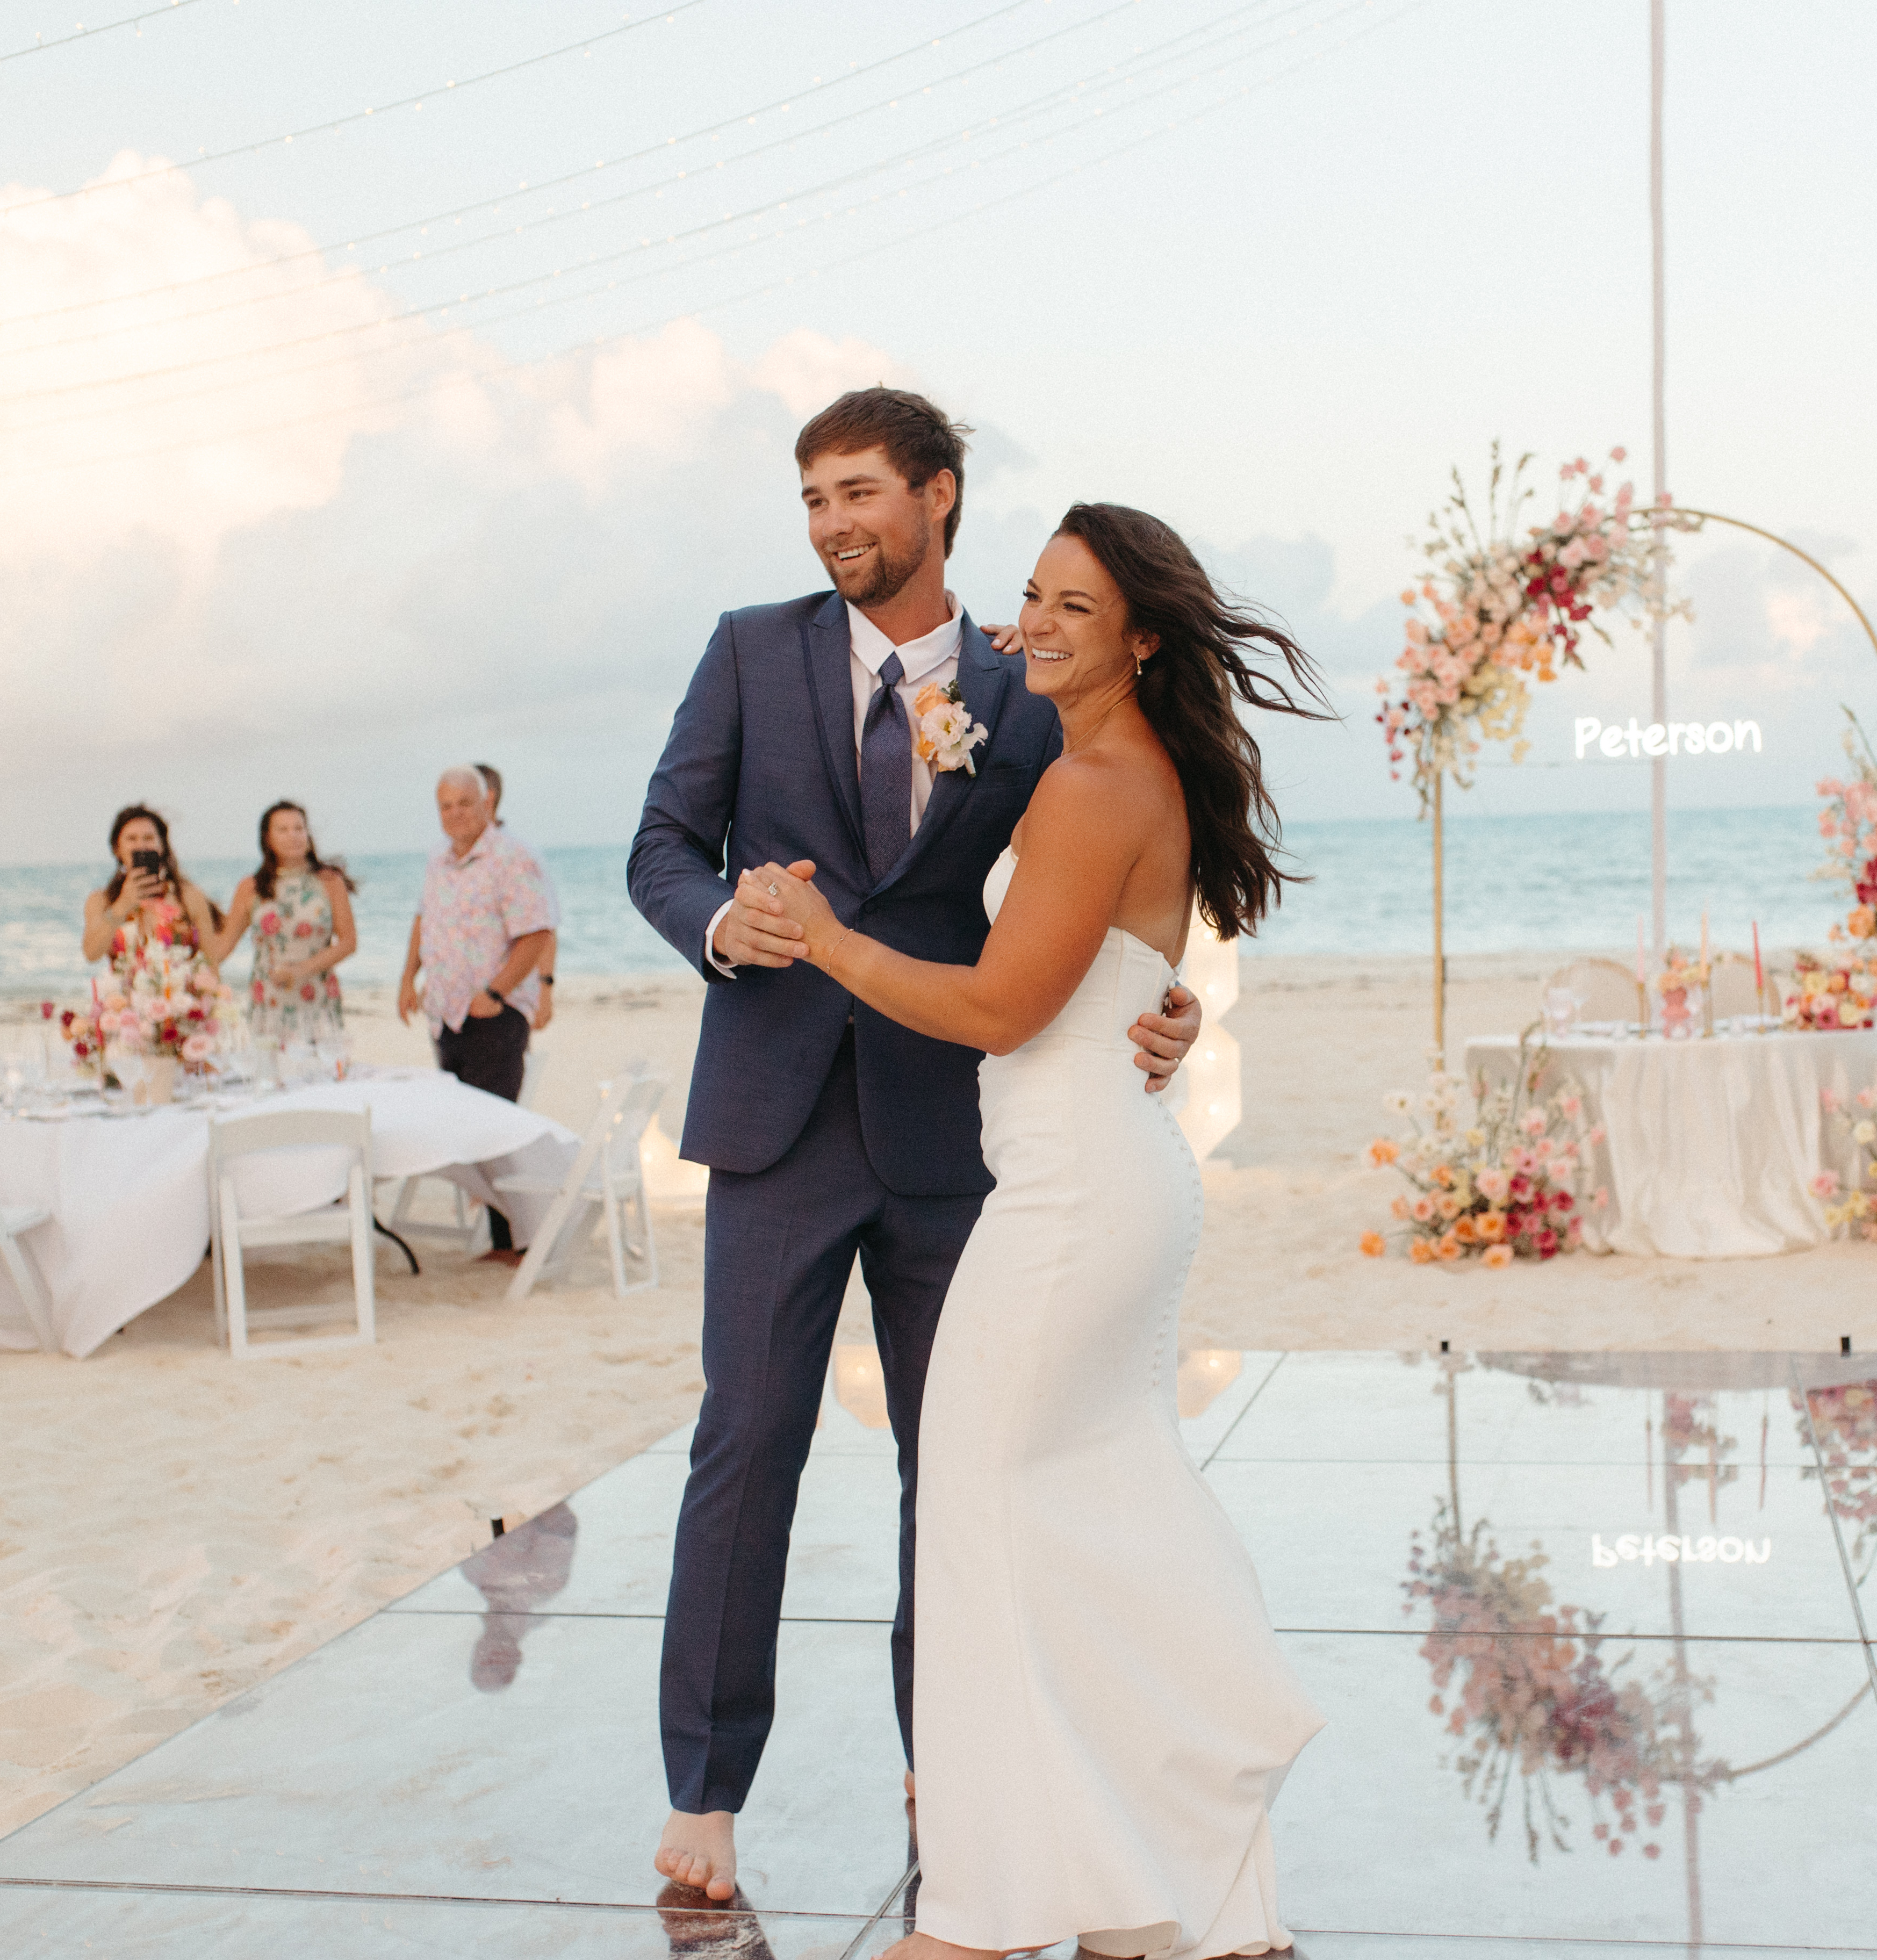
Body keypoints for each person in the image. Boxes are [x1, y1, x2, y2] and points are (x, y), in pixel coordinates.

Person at [625, 388, 1204, 1907]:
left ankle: (946, 1759)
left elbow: (1115, 862)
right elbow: (659, 846)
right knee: (748, 1445)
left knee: (955, 1468)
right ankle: (706, 1784)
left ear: (940, 496)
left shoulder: (1030, 681)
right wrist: (720, 921)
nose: (833, 526)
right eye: (813, 499)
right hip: (775, 1115)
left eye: (861, 492)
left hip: (958, 1125)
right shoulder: (749, 651)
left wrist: (1165, 994)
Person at [741, 502, 1329, 1958]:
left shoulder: (1093, 787)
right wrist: (1166, 1011)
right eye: (1033, 596)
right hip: (1105, 1179)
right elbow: (1125, 974)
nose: (1041, 623)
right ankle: (1164, 1880)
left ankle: (990, 1909)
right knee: (1085, 1518)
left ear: (1142, 637)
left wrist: (823, 940)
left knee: (988, 1527)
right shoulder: (1127, 773)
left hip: (1070, 1203)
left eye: (1079, 605)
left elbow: (1002, 1009)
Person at [399, 765, 556, 1260]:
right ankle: (502, 1241)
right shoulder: (438, 860)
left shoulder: (513, 857)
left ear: (486, 803)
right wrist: (409, 978)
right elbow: (424, 920)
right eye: (446, 806)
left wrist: (497, 991)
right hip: (446, 1016)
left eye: (464, 803)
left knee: (495, 1129)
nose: (455, 814)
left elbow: (537, 932)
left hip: (495, 1015)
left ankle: (520, 1244)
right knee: (469, 1127)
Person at [213, 800, 358, 1047]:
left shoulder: (329, 881)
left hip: (317, 995)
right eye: (283, 830)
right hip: (269, 1000)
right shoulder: (251, 888)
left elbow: (348, 943)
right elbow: (223, 946)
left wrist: (302, 970)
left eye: (299, 829)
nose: (294, 836)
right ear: (268, 838)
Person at [474, 764, 558, 1036]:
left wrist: (545, 992)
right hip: (460, 1007)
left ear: (488, 798)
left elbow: (544, 929)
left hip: (507, 1002)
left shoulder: (521, 855)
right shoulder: (455, 858)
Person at [83, 804, 220, 970]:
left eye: (149, 838)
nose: (141, 845)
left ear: (162, 846)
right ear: (117, 849)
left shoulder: (188, 896)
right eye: (132, 839)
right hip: (123, 994)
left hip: (178, 993)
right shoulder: (101, 900)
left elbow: (211, 964)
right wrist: (123, 904)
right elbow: (91, 954)